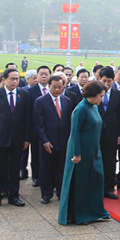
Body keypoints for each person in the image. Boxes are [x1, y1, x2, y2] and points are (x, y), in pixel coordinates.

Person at [58, 81, 112, 225]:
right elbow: (75, 132)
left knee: (95, 181)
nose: (102, 99)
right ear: (92, 95)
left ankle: (95, 211)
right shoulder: (81, 109)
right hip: (81, 153)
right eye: (100, 96)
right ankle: (80, 215)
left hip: (94, 151)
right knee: (81, 184)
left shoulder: (94, 107)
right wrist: (76, 153)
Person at [0, 68, 32, 208]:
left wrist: (26, 138)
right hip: (0, 137)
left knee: (14, 168)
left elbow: (27, 118)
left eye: (17, 79)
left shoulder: (24, 94)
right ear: (4, 80)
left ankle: (14, 196)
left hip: (17, 138)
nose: (15, 81)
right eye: (12, 79)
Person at [33, 75, 73, 203]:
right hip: (47, 141)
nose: (57, 90)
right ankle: (46, 194)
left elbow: (69, 122)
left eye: (60, 87)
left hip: (63, 141)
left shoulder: (67, 101)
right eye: (54, 87)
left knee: (61, 168)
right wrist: (44, 140)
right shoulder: (40, 101)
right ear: (49, 86)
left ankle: (61, 192)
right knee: (46, 168)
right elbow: (38, 124)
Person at [97, 66, 120, 200]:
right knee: (96, 160)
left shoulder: (117, 94)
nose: (106, 84)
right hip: (96, 133)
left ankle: (108, 188)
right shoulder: (94, 92)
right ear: (99, 79)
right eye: (104, 81)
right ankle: (95, 187)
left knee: (110, 162)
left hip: (112, 133)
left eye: (109, 81)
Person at [26, 66, 52, 185]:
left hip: (50, 128)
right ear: (37, 76)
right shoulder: (29, 91)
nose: (43, 76)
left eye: (46, 74)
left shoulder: (53, 89)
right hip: (35, 128)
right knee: (36, 153)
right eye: (41, 74)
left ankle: (48, 176)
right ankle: (36, 176)